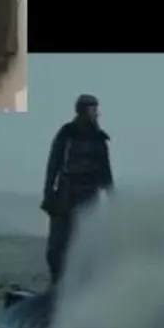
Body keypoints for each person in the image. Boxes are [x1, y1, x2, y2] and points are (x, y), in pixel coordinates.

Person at [42, 94, 114, 284]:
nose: (96, 113)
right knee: (58, 244)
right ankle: (57, 283)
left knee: (85, 242)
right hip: (66, 194)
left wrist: (113, 197)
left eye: (96, 109)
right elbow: (54, 164)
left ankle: (82, 284)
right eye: (93, 109)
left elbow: (105, 171)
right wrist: (48, 193)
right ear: (83, 110)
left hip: (89, 196)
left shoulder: (99, 138)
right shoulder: (67, 134)